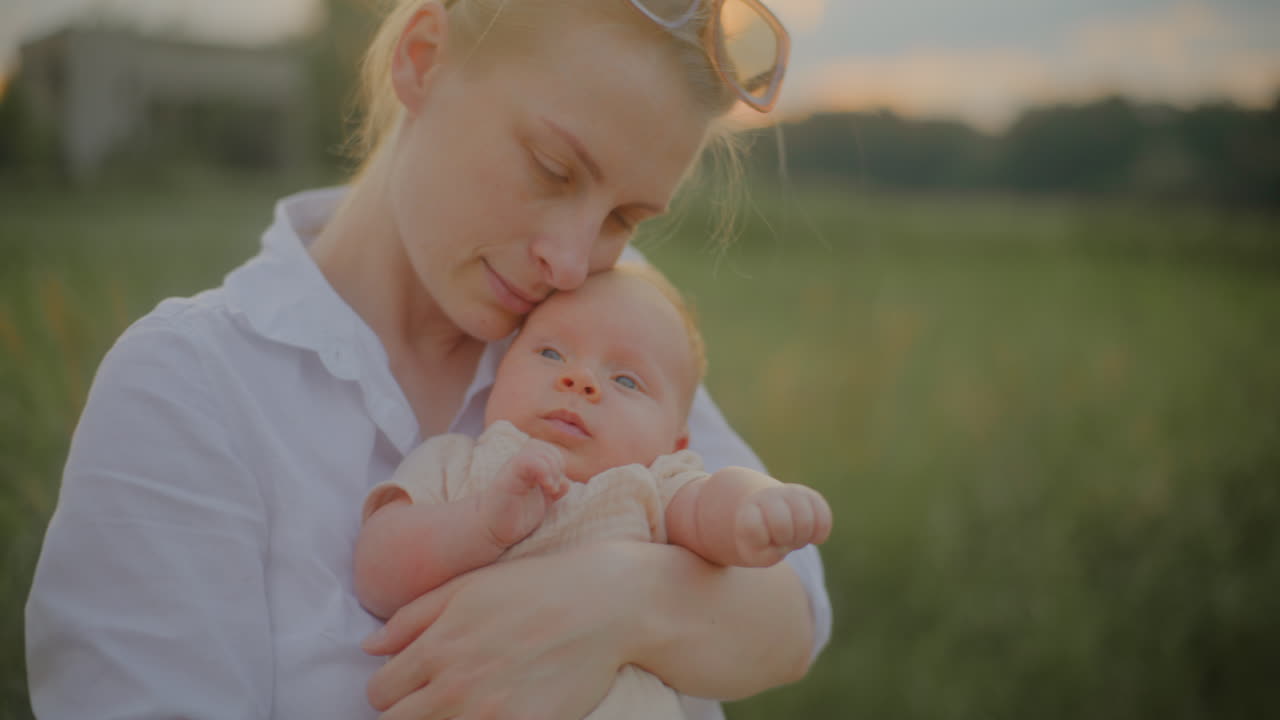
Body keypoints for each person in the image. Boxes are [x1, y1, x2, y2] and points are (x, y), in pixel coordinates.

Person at [25, 1, 832, 718]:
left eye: (625, 217)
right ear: (422, 59)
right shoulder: (189, 386)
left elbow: (794, 610)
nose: (569, 259)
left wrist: (612, 604)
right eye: (552, 169)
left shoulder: (599, 323)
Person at [355, 264, 833, 718]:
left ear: (676, 442)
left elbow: (711, 507)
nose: (579, 380)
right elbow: (376, 573)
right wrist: (479, 523)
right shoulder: (457, 462)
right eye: (550, 354)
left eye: (625, 380)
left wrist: (754, 503)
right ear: (499, 376)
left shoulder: (651, 486)